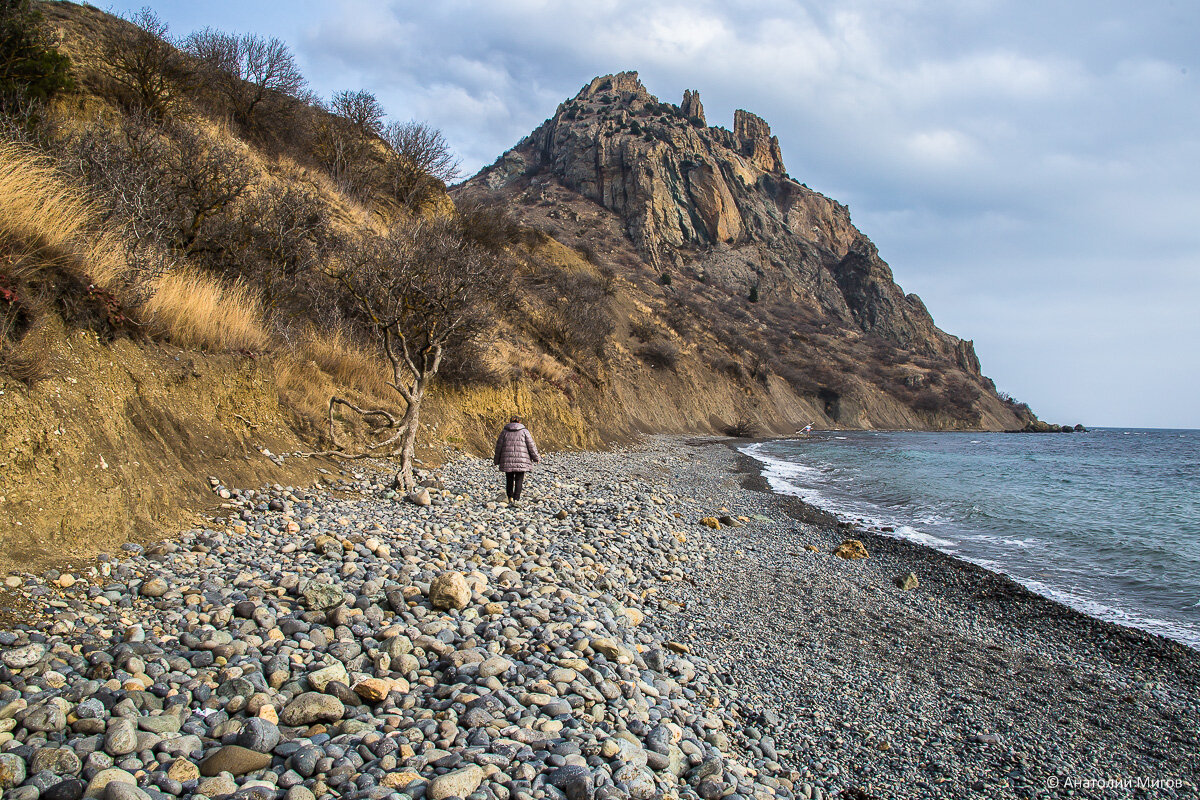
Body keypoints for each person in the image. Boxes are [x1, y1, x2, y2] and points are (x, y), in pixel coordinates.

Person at [494, 416, 540, 504]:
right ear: (519, 422)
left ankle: (510, 497)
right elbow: (531, 445)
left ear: (510, 422)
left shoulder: (504, 432)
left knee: (509, 479)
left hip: (507, 459)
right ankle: (517, 498)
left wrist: (496, 460)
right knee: (519, 479)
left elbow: (498, 447)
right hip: (521, 460)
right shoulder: (524, 431)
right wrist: (536, 457)